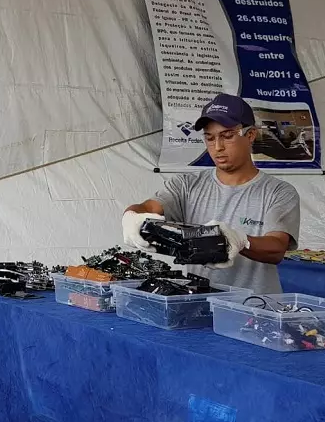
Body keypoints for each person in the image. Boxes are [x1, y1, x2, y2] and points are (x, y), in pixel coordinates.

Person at [122, 93, 300, 293]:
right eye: (209, 138)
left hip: (256, 305)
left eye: (227, 136)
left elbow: (276, 248)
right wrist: (131, 216)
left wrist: (241, 241)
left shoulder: (278, 192)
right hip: (200, 302)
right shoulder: (187, 185)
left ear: (250, 135)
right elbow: (148, 207)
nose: (217, 147)